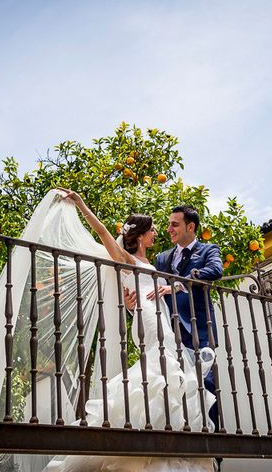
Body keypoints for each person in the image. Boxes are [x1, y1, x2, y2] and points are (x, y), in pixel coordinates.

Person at [44, 189, 216, 472]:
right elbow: (102, 233)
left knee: (169, 366)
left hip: (159, 314)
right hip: (148, 317)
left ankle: (166, 431)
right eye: (152, 230)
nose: (157, 233)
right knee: (160, 365)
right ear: (140, 235)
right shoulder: (125, 258)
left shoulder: (154, 262)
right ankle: (147, 427)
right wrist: (82, 203)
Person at [124, 205, 223, 431]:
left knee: (205, 386)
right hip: (167, 332)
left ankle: (211, 448)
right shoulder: (160, 259)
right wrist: (131, 306)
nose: (169, 229)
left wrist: (177, 284)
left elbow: (216, 271)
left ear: (191, 226)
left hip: (198, 330)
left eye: (174, 224)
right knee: (171, 388)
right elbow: (148, 290)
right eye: (168, 224)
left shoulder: (208, 250)